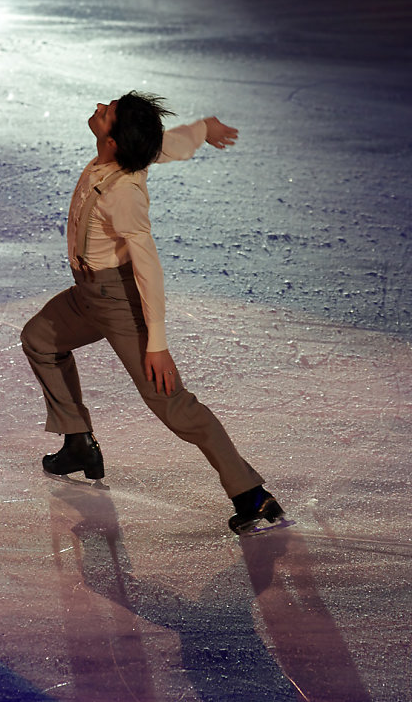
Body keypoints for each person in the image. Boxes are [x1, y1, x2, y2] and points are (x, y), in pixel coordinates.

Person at [20, 91, 285, 534]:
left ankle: (252, 495)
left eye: (108, 113)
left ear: (114, 142)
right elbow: (169, 143)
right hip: (88, 294)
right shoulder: (130, 152)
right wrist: (203, 130)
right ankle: (78, 442)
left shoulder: (124, 193)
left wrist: (156, 343)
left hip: (119, 302)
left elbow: (148, 265)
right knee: (40, 340)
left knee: (173, 406)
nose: (100, 107)